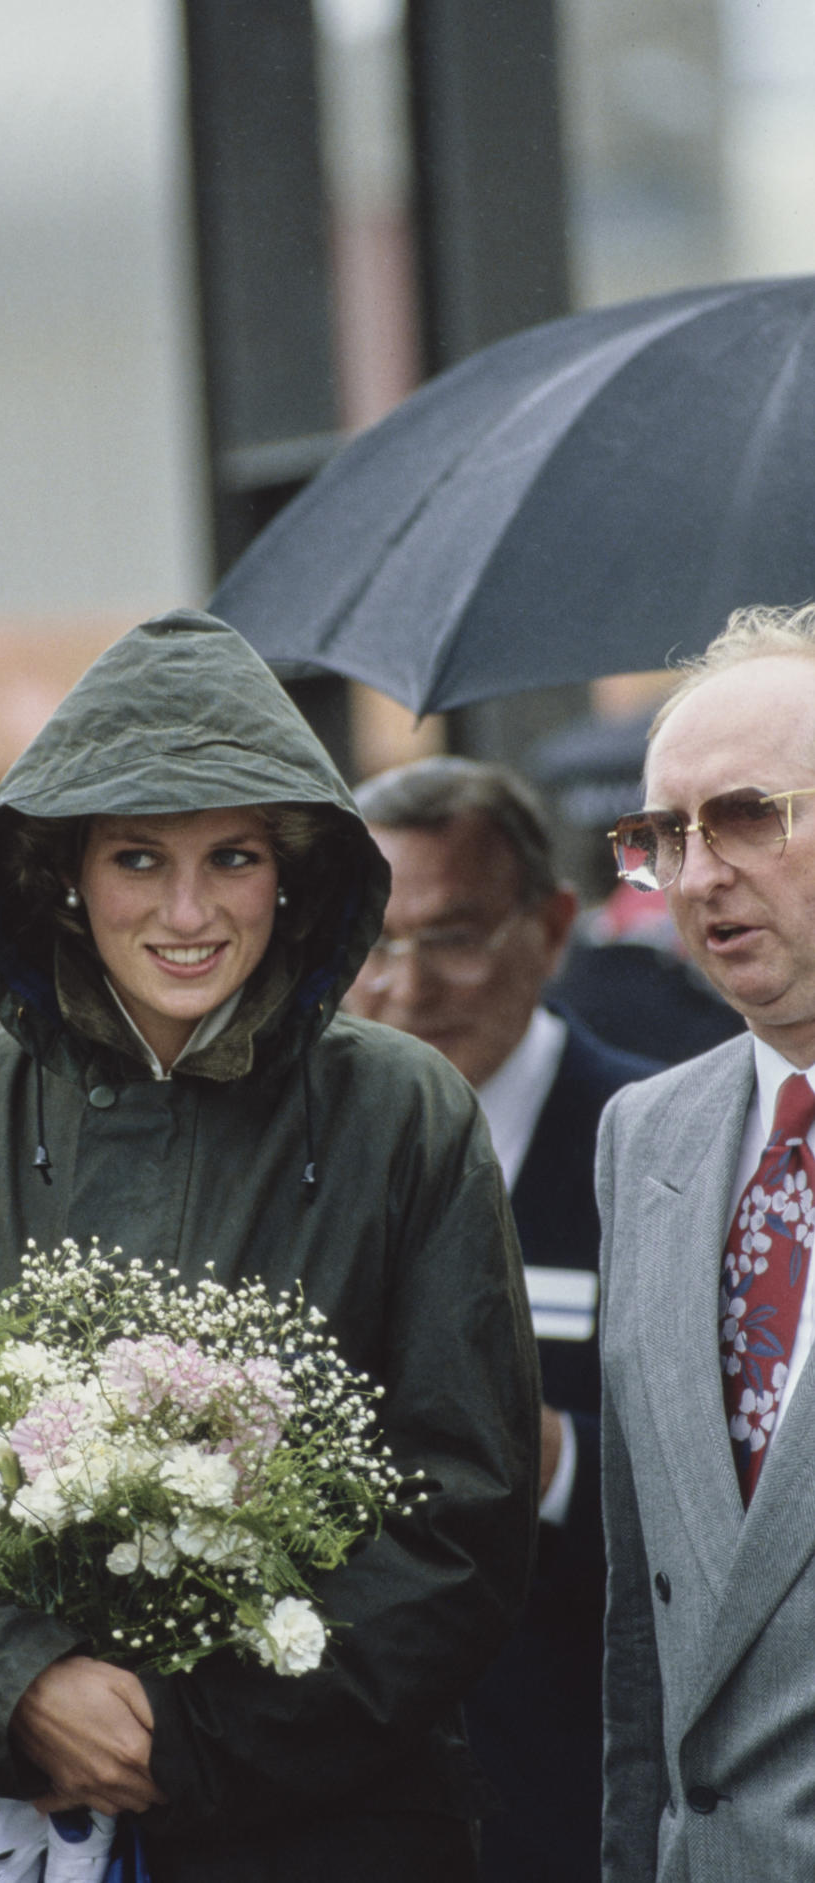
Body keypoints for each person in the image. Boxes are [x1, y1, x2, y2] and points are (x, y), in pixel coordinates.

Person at [0, 609, 540, 1883]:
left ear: (291, 871)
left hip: (335, 1833)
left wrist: (185, 1739)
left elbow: (463, 1512)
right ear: (64, 873)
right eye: (138, 857)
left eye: (231, 855)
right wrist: (19, 1690)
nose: (187, 911)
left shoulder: (405, 1109)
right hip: (1, 1824)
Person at [342, 755, 658, 1883]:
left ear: (554, 925)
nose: (407, 987)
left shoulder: (665, 1145)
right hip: (337, 1803)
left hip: (585, 1797)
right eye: (370, 943)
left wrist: (559, 1458)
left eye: (455, 935)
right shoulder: (295, 1154)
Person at [597, 602, 815, 1880]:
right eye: (659, 837)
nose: (694, 874)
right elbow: (647, 1619)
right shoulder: (649, 1136)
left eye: (743, 815)